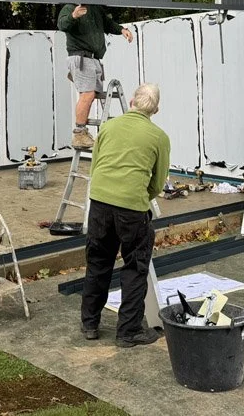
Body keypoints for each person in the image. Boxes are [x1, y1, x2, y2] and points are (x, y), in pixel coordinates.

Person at [80, 83, 170, 347]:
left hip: (99, 202)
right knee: (135, 266)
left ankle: (90, 324)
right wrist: (138, 196)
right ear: (155, 110)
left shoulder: (107, 127)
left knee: (98, 262)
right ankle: (128, 331)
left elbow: (96, 167)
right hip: (132, 208)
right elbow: (158, 182)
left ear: (131, 101)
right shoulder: (159, 137)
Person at [57, 0, 133, 150]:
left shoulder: (95, 8)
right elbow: (62, 25)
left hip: (93, 59)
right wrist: (74, 16)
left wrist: (122, 30)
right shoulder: (69, 8)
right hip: (81, 57)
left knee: (92, 95)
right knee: (88, 94)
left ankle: (87, 132)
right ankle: (79, 133)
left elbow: (108, 23)